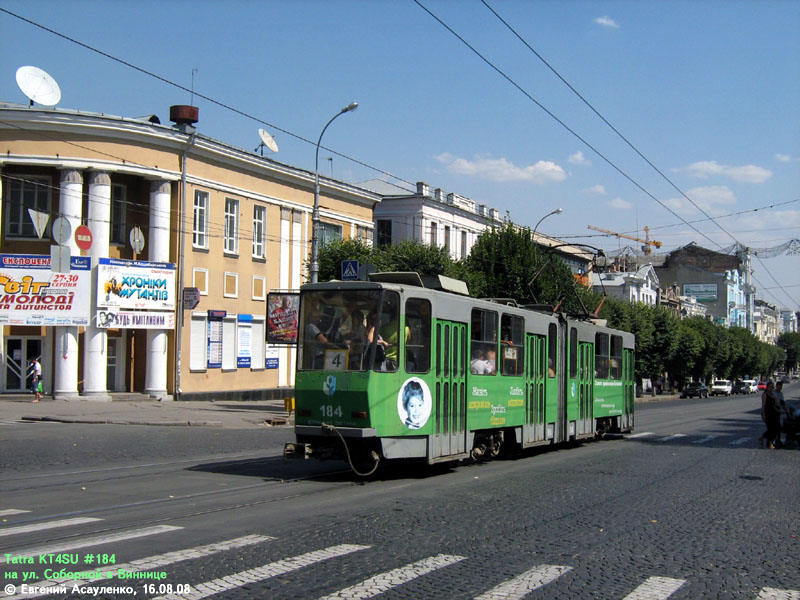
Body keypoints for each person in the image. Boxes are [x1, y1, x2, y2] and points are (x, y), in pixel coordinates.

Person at [759, 380, 781, 449]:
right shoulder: (764, 394)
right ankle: (770, 443)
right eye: (770, 387)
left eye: (772, 387)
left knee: (774, 429)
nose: (771, 388)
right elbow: (763, 405)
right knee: (770, 429)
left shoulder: (772, 395)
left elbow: (776, 404)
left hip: (773, 413)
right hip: (767, 413)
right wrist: (763, 414)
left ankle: (763, 438)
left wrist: (775, 399)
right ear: (767, 387)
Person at [774, 381, 787, 447]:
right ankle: (773, 442)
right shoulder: (773, 393)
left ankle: (778, 441)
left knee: (780, 427)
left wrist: (786, 411)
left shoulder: (781, 394)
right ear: (776, 386)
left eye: (781, 387)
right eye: (778, 387)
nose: (779, 388)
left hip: (779, 410)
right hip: (773, 411)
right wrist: (778, 411)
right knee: (775, 428)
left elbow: (782, 403)